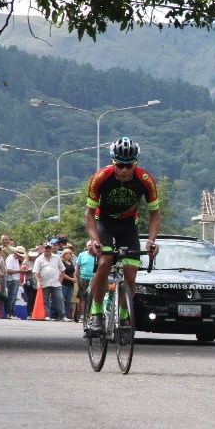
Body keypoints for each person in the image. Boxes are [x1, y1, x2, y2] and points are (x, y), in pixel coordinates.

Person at [83, 136, 161, 334]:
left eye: (129, 165)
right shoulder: (100, 178)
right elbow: (89, 215)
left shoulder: (146, 181)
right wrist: (94, 240)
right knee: (104, 262)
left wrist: (152, 241)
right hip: (104, 223)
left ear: (136, 164)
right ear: (113, 162)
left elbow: (155, 214)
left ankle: (124, 315)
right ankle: (96, 312)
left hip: (129, 226)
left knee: (130, 275)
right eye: (120, 165)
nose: (124, 170)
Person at [32, 243, 67, 320]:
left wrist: (60, 280)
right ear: (43, 249)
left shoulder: (57, 258)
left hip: (56, 282)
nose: (47, 250)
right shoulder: (39, 259)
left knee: (60, 299)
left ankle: (63, 316)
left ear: (51, 249)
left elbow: (63, 269)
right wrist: (38, 281)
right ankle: (47, 315)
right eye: (46, 248)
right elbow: (36, 272)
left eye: (49, 248)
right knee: (45, 300)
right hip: (45, 282)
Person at [75, 241, 96, 322]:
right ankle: (82, 316)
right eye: (89, 245)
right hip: (83, 278)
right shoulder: (82, 254)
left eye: (92, 245)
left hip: (95, 278)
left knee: (94, 297)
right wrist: (78, 278)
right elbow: (77, 268)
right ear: (87, 246)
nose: (91, 246)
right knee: (82, 297)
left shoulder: (97, 254)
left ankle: (92, 316)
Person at [59, 247, 78, 320]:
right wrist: (71, 279)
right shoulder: (62, 263)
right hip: (64, 283)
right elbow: (62, 273)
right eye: (67, 254)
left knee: (69, 301)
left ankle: (67, 315)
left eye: (70, 254)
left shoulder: (71, 263)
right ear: (63, 255)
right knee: (62, 299)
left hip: (71, 284)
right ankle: (62, 315)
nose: (68, 255)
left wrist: (75, 277)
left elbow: (73, 272)